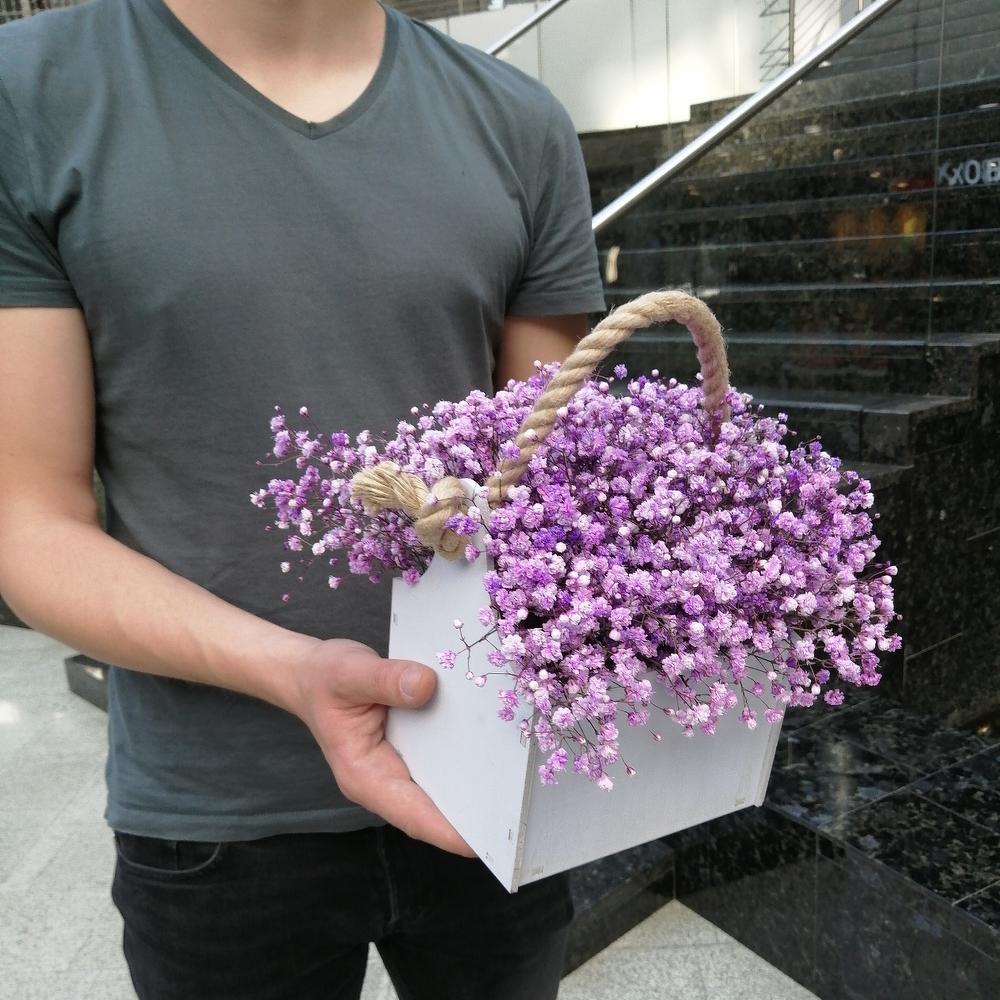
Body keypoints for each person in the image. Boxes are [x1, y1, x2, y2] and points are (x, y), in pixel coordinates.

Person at [0, 0, 606, 997]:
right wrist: (294, 673)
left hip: (489, 775)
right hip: (217, 816)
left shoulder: (516, 122)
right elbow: (30, 522)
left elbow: (539, 488)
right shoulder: (33, 95)